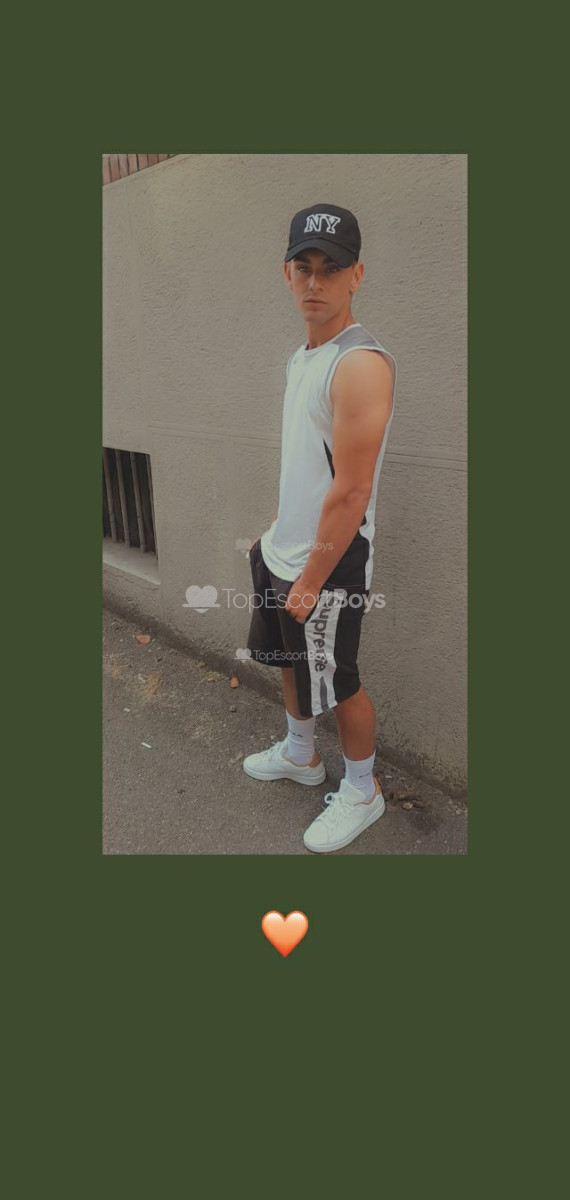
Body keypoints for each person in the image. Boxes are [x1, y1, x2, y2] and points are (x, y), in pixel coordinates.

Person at [244, 203, 397, 853]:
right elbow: (310, 460)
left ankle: (362, 791)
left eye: (330, 269)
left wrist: (309, 577)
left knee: (341, 682)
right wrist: (276, 532)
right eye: (303, 267)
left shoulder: (359, 364)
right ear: (287, 274)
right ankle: (301, 755)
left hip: (328, 563)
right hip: (285, 550)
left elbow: (352, 490)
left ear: (356, 275)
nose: (315, 281)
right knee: (287, 660)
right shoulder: (300, 358)